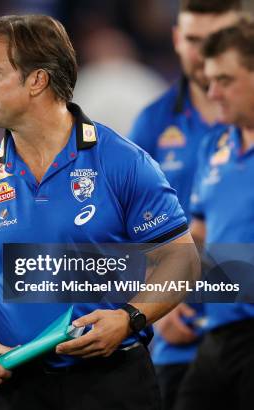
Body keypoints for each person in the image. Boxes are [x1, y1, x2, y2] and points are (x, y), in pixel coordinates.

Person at [0, 15, 198, 410]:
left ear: (37, 80)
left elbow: (182, 260)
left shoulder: (123, 163)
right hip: (15, 388)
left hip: (112, 384)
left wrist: (129, 318)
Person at [127, 1, 242, 408]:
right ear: (177, 40)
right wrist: (157, 303)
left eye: (217, 40)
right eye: (194, 40)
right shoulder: (153, 124)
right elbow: (129, 229)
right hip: (178, 345)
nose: (204, 54)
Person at [174, 20, 254, 410]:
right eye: (208, 80)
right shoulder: (214, 147)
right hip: (218, 334)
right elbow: (197, 240)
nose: (212, 93)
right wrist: (167, 305)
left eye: (225, 80)